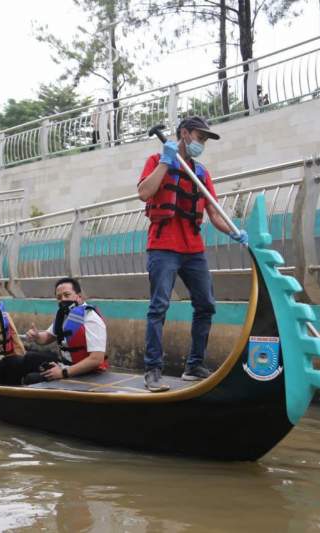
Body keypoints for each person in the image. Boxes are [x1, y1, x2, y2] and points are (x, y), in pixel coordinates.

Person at [137, 116, 248, 392]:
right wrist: (166, 160)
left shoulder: (201, 172)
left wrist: (236, 232)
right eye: (200, 137)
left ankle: (194, 365)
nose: (202, 143)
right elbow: (144, 192)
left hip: (193, 249)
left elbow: (214, 212)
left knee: (206, 305)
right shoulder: (157, 160)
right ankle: (152, 370)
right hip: (163, 247)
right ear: (184, 134)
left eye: (205, 140)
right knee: (159, 306)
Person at [20, 277, 108, 385]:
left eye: (67, 295)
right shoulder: (64, 315)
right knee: (29, 358)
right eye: (59, 297)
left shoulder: (91, 319)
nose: (63, 300)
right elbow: (47, 337)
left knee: (31, 379)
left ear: (79, 297)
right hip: (66, 365)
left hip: (88, 371)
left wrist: (63, 373)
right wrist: (37, 336)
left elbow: (96, 359)